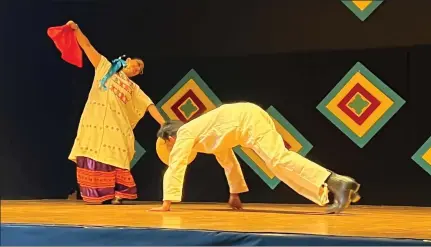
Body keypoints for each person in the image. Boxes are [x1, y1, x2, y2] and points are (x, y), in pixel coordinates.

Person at [151, 102, 361, 214]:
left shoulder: (186, 132)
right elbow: (228, 161)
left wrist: (166, 203)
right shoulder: (202, 135)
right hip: (247, 121)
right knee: (277, 165)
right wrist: (235, 194)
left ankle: (338, 182)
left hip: (246, 120)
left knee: (279, 159)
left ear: (170, 138)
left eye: (169, 144)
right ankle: (338, 187)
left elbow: (176, 164)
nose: (172, 147)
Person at [65, 20, 165, 204]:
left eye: (140, 69)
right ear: (127, 61)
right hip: (95, 119)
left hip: (117, 127)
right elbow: (87, 46)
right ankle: (96, 195)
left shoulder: (133, 88)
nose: (137, 68)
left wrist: (163, 123)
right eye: (137, 63)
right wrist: (77, 30)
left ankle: (118, 194)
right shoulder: (105, 67)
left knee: (116, 155)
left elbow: (149, 105)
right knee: (93, 152)